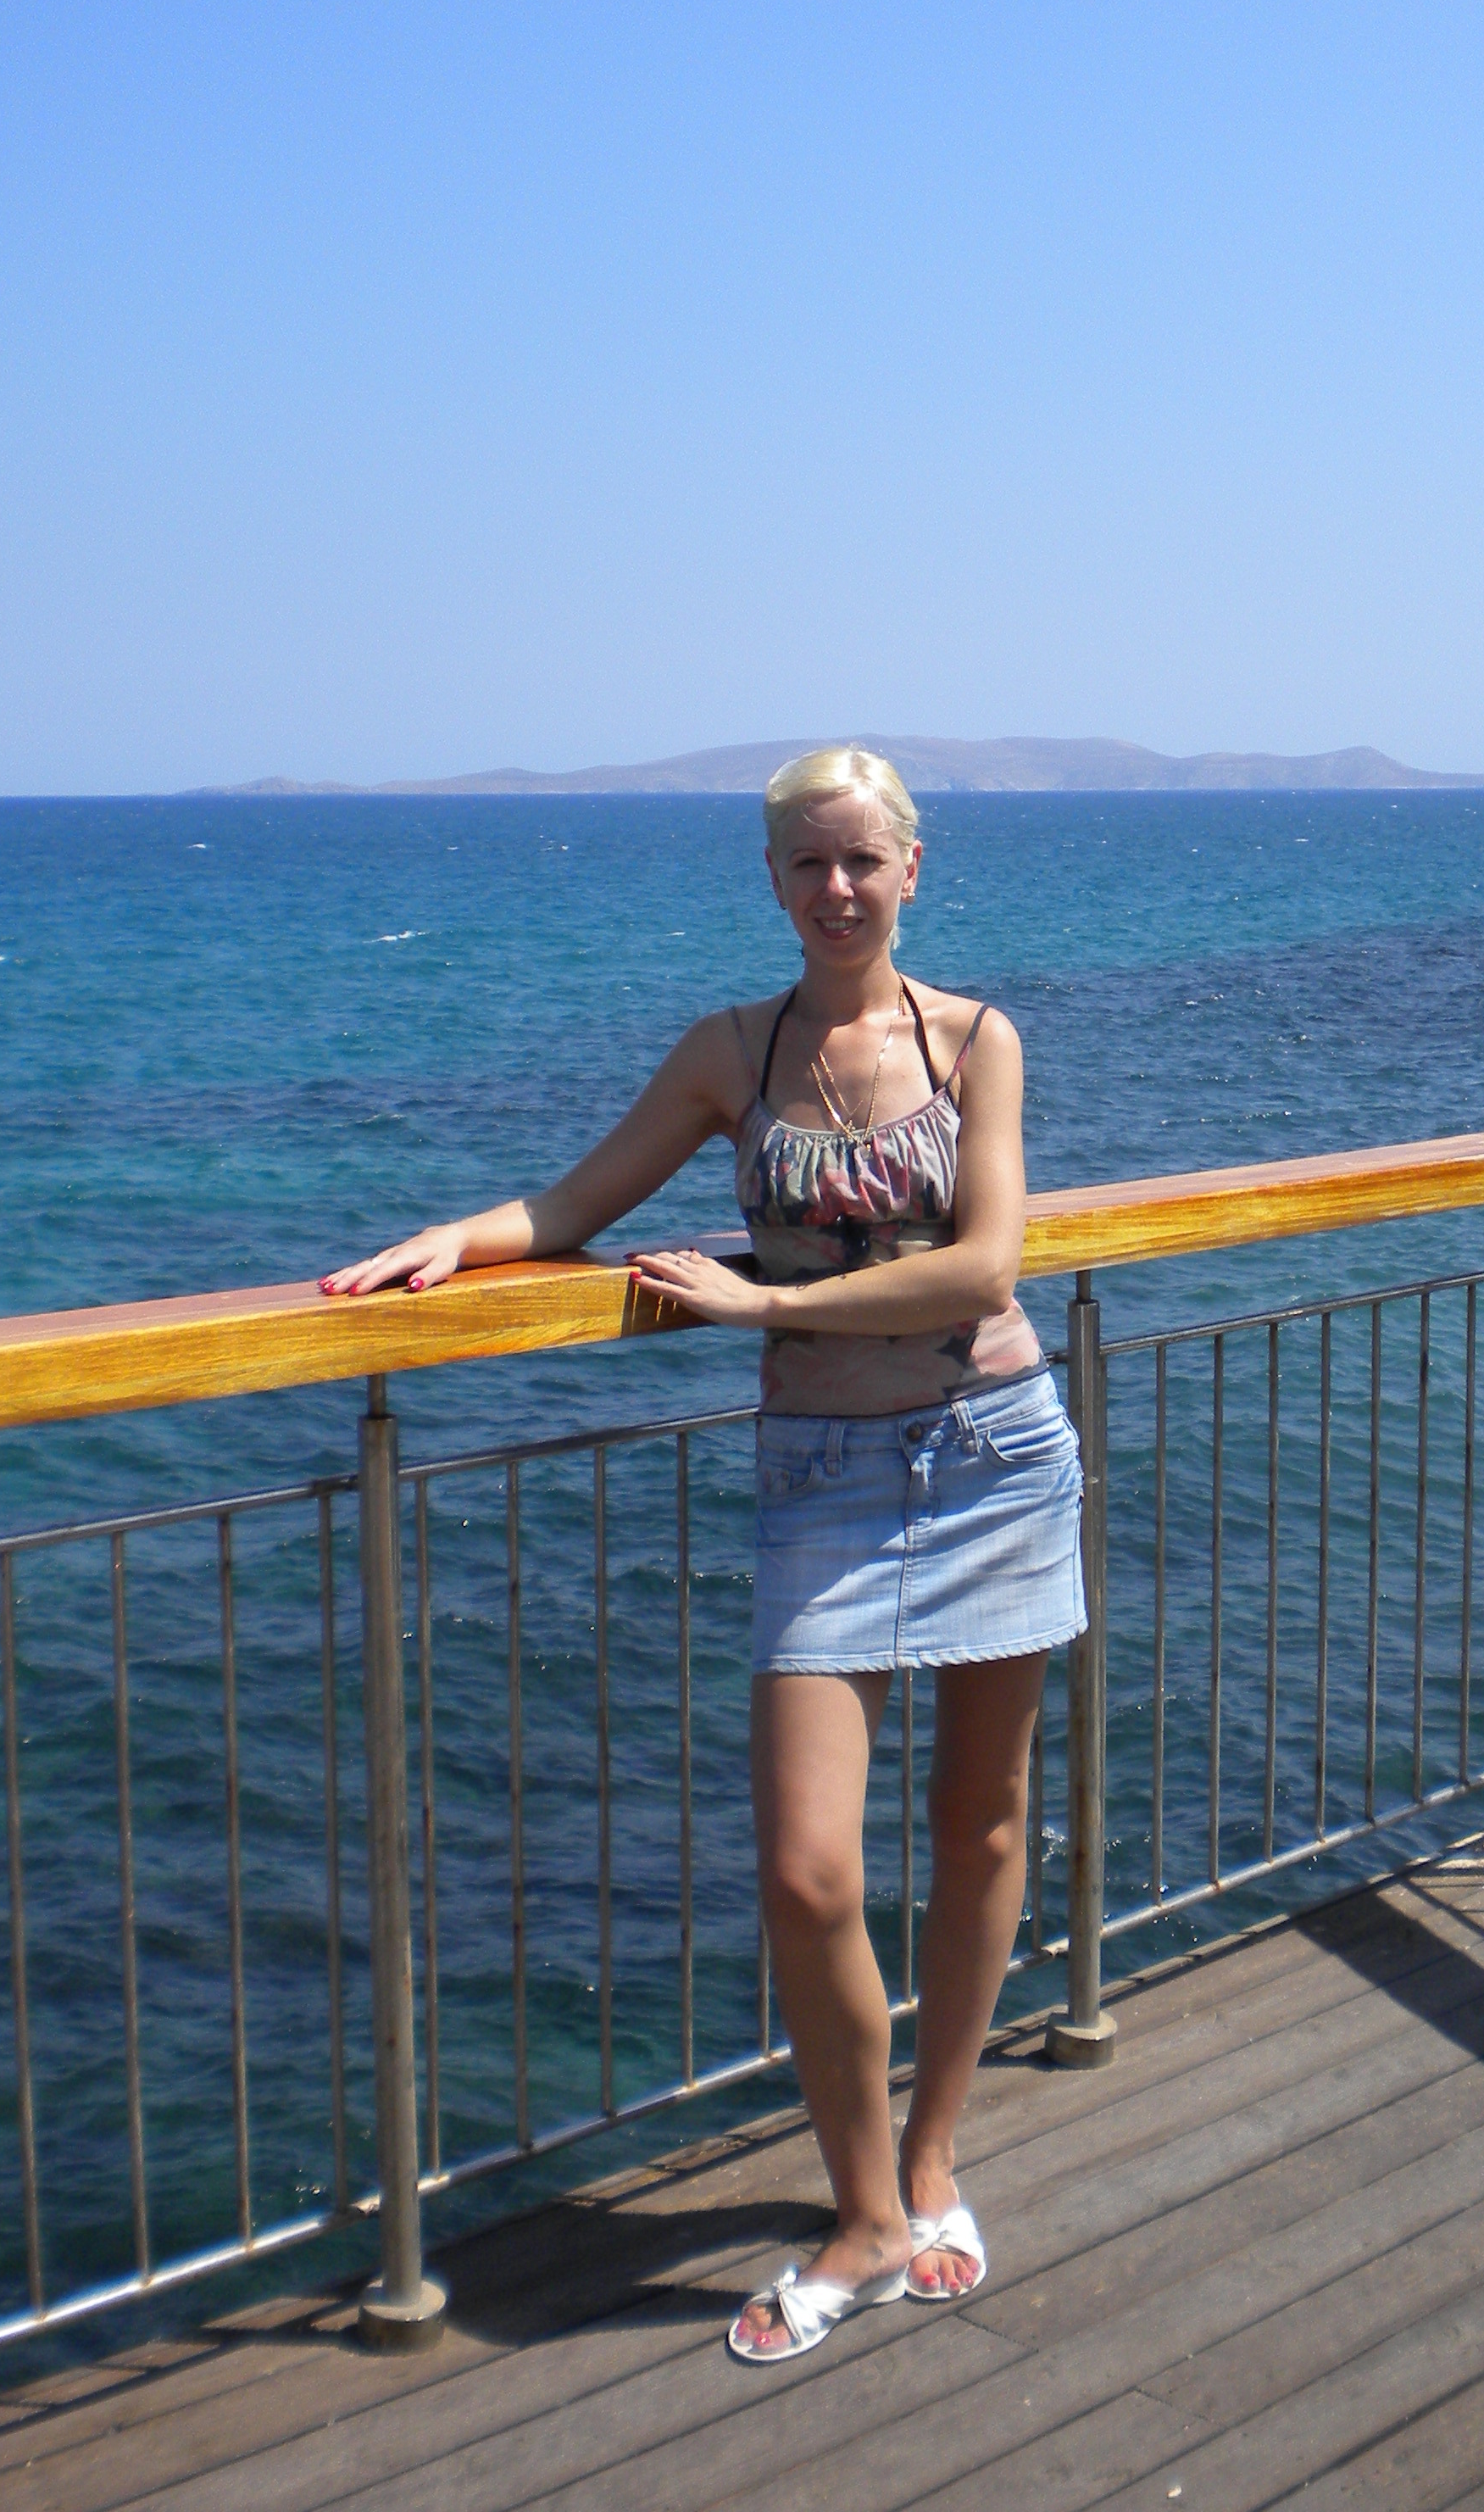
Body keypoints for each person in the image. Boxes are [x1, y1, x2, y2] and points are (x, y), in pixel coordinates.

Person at [321, 744, 1085, 2365]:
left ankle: (931, 2161)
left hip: (995, 1451)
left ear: (913, 867)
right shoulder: (732, 1052)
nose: (837, 889)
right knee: (809, 1869)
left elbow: (986, 1268)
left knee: (982, 1821)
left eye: (863, 860)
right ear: (773, 879)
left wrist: (763, 1301)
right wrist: (462, 1238)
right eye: (808, 863)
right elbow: (577, 1203)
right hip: (822, 1473)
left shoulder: (976, 1043)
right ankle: (863, 2218)